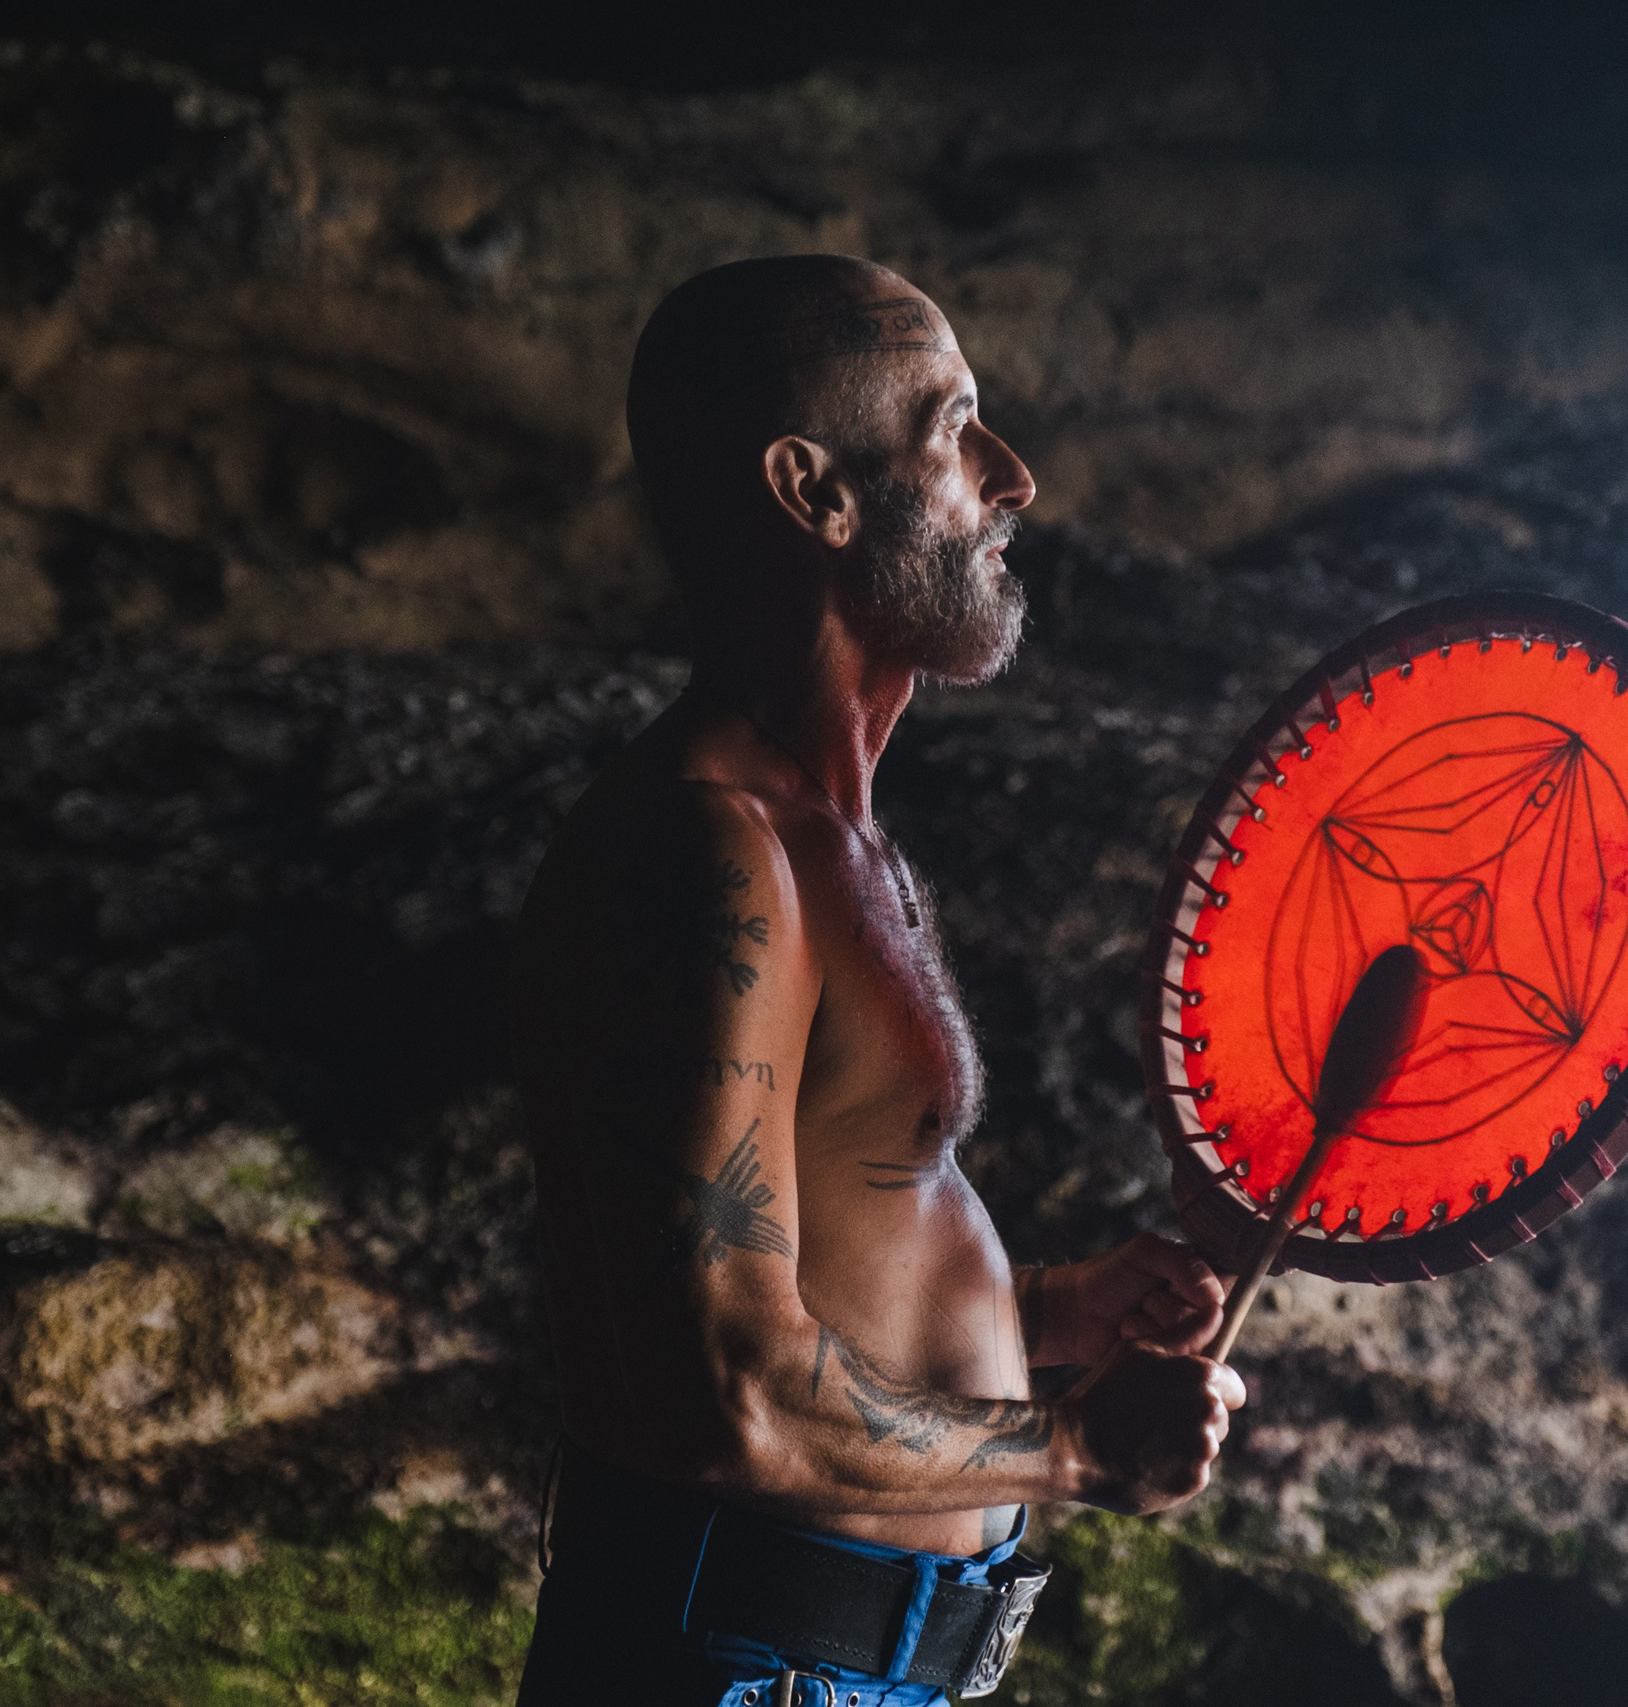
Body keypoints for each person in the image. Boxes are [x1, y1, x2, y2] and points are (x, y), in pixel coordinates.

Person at [510, 255, 1245, 1707]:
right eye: (953, 428)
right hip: (742, 1673)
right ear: (816, 494)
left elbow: (800, 1281)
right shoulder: (712, 858)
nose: (1012, 477)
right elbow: (721, 1392)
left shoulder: (825, 840)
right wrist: (1073, 1451)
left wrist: (1044, 1315)